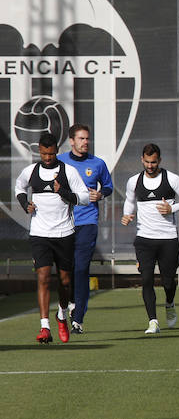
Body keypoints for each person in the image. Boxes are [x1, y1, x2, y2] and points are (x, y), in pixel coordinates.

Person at [15, 133, 89, 343]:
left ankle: (62, 315)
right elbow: (19, 188)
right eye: (44, 154)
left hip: (64, 234)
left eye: (51, 154)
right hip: (40, 234)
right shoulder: (31, 171)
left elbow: (84, 197)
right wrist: (24, 204)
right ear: (39, 151)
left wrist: (64, 192)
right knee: (43, 278)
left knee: (65, 282)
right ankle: (45, 327)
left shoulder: (68, 171)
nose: (47, 158)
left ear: (57, 151)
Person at [121, 144, 179, 334]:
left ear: (159, 161)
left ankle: (169, 303)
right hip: (144, 239)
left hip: (168, 238)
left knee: (168, 281)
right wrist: (127, 215)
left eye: (154, 162)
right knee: (146, 279)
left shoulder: (171, 179)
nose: (150, 165)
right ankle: (153, 321)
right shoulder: (134, 181)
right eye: (147, 162)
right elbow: (129, 202)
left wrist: (173, 208)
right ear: (142, 160)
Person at [57, 124, 113, 334]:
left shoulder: (97, 163)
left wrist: (101, 194)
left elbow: (107, 186)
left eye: (87, 138)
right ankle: (69, 302)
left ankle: (78, 318)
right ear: (71, 141)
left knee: (81, 269)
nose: (85, 142)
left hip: (87, 222)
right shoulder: (60, 161)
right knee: (66, 270)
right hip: (63, 223)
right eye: (80, 138)